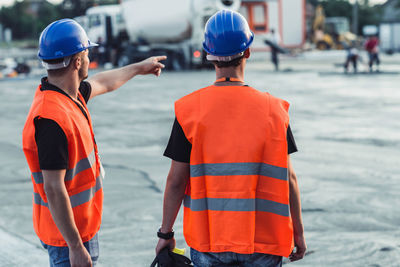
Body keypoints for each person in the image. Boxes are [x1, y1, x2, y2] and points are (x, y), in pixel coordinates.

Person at [155, 10, 306, 267]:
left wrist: (166, 233)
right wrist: (299, 234)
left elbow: (176, 181)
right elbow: (289, 178)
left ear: (208, 54)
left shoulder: (189, 110)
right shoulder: (275, 110)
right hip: (263, 241)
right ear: (247, 52)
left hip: (209, 241)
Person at [22, 19, 166, 266]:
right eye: (87, 53)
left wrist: (139, 67)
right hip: (67, 239)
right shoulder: (51, 119)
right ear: (77, 62)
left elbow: (104, 82)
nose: (90, 58)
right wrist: (76, 247)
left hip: (79, 227)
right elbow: (54, 189)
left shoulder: (69, 95)